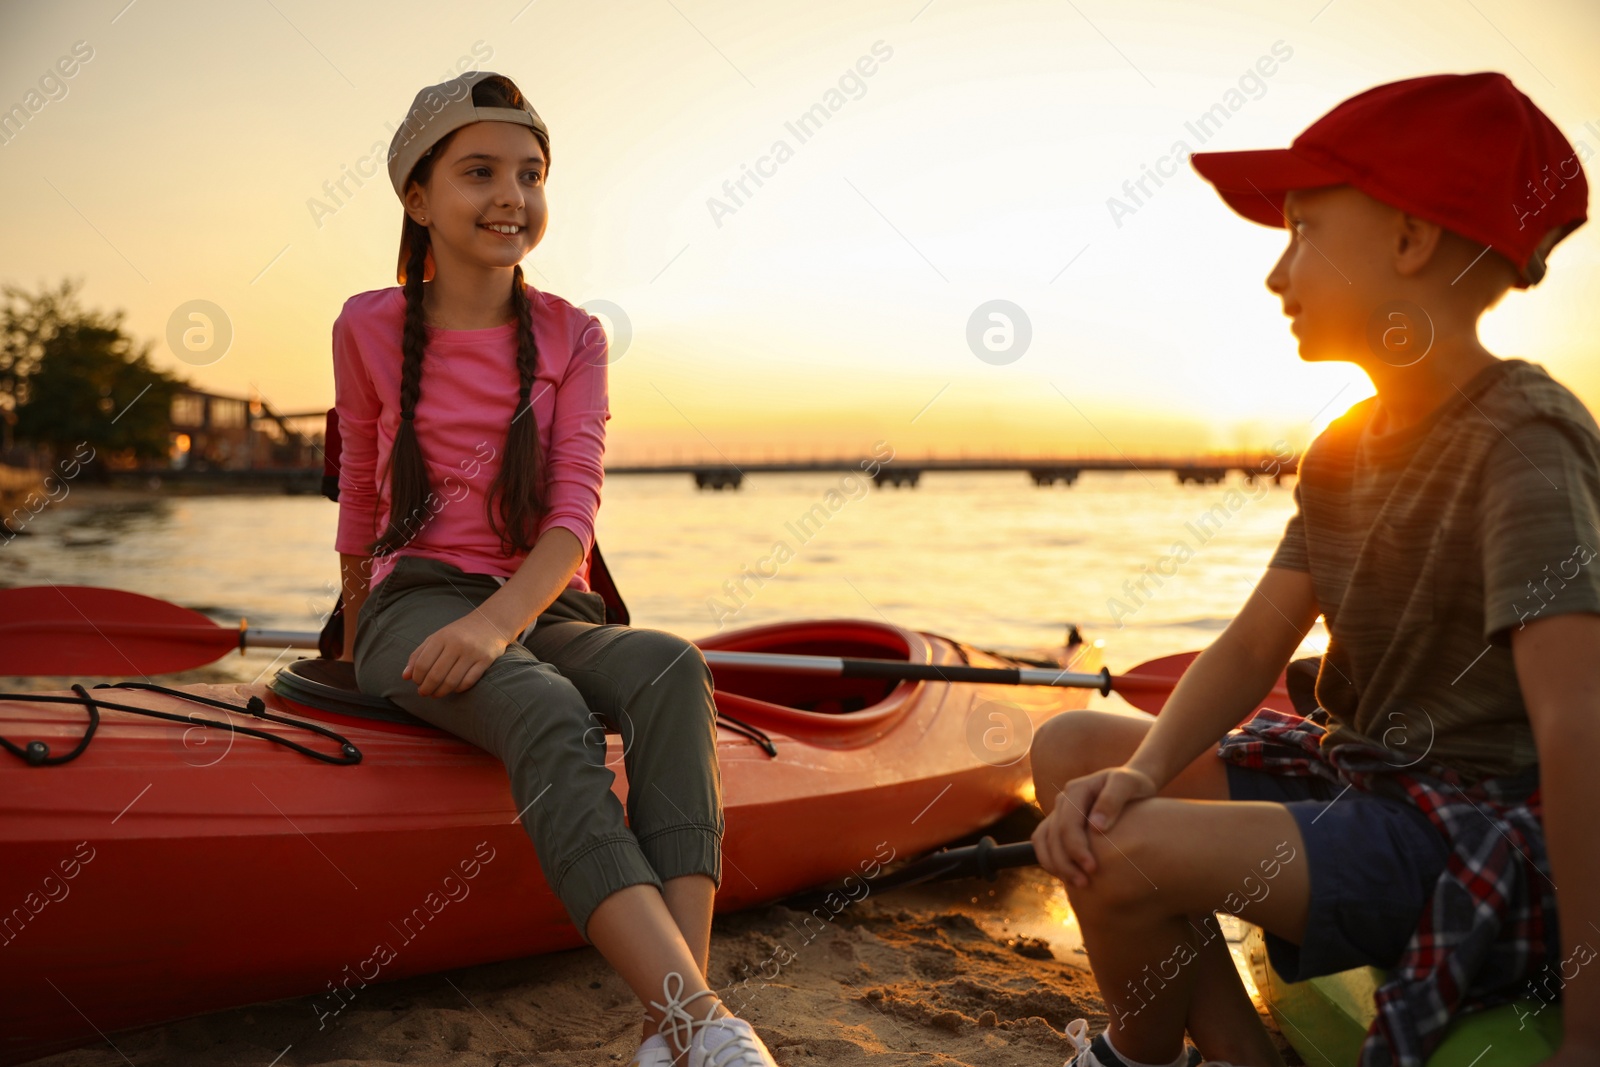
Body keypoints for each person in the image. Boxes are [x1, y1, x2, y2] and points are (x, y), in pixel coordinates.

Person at [1029, 72, 1600, 1067]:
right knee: (1072, 748)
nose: (1275, 273)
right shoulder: (1341, 449)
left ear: (1410, 240)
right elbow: (1255, 642)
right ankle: (1232, 1051)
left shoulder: (1523, 440)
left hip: (1478, 836)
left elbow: (1577, 721)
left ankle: (1138, 1054)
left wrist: (1590, 1026)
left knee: (1113, 855)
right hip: (1367, 783)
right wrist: (1142, 770)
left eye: (1302, 229)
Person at [332, 70, 780, 1067]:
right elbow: (362, 486)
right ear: (416, 197)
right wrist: (358, 637)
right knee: (542, 708)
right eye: (479, 171)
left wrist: (498, 621)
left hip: (542, 603)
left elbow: (571, 514)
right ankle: (703, 1021)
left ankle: (677, 1018)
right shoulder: (365, 325)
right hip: (416, 605)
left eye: (530, 174)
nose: (511, 195)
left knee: (669, 667)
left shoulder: (573, 334)